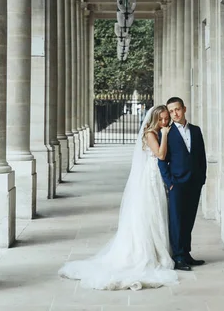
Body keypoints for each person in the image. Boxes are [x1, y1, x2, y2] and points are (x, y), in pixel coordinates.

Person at [58, 105, 178, 290]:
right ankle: (148, 253)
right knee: (150, 213)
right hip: (149, 178)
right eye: (161, 119)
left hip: (156, 177)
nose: (165, 122)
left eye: (166, 119)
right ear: (154, 119)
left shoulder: (157, 132)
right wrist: (166, 134)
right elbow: (161, 154)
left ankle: (160, 249)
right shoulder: (151, 134)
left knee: (158, 212)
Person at [158, 96, 207, 272]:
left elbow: (201, 156)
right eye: (171, 111)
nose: (174, 113)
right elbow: (161, 160)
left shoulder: (196, 130)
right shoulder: (166, 132)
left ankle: (186, 253)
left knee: (189, 219)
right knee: (177, 221)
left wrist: (202, 178)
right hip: (177, 183)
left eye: (177, 109)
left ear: (184, 109)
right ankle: (178, 257)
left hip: (194, 182)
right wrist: (169, 182)